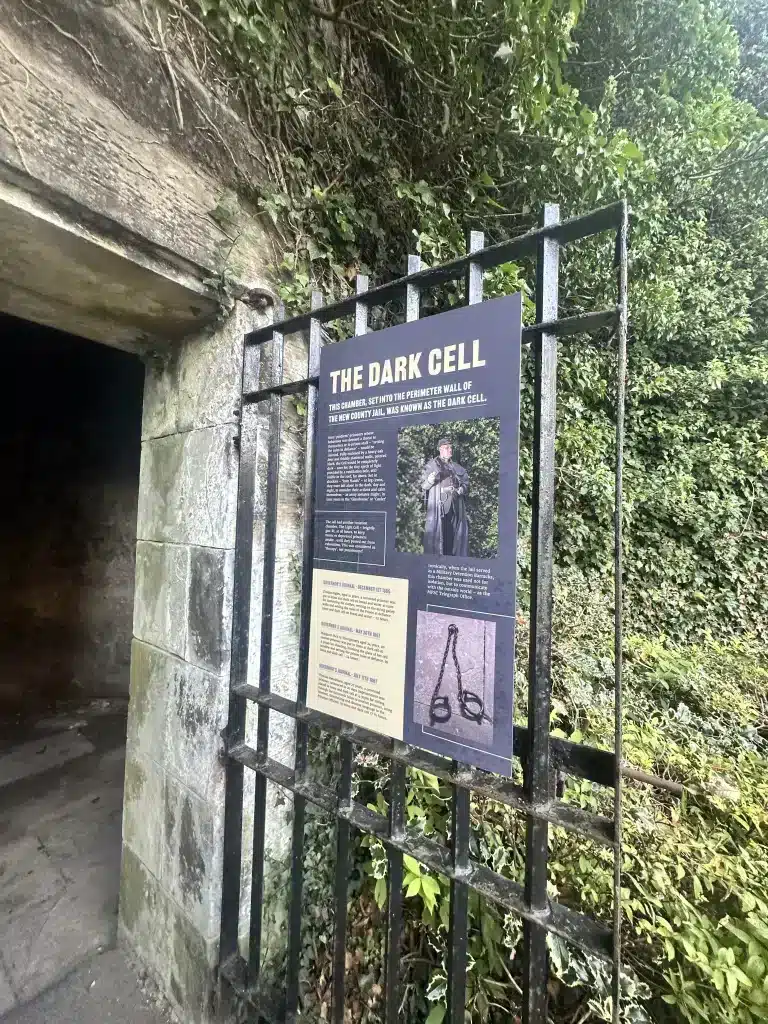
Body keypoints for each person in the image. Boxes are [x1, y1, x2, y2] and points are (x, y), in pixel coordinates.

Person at [421, 438, 469, 556]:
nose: (450, 450)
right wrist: (430, 480)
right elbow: (424, 486)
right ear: (440, 449)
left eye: (451, 447)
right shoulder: (431, 466)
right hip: (440, 507)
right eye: (447, 448)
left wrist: (460, 490)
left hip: (455, 507)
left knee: (455, 538)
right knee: (440, 538)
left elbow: (466, 484)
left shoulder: (457, 467)